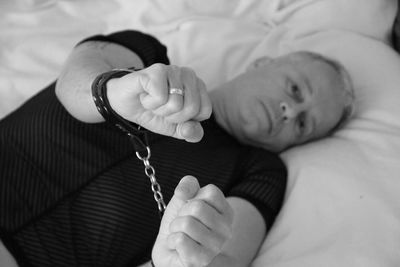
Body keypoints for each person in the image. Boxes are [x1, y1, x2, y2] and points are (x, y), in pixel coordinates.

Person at [0, 30, 354, 267]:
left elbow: (226, 258)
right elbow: (72, 84)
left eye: (303, 124)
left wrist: (183, 258)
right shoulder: (151, 59)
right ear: (263, 63)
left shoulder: (260, 171)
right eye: (294, 89)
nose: (290, 112)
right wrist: (113, 92)